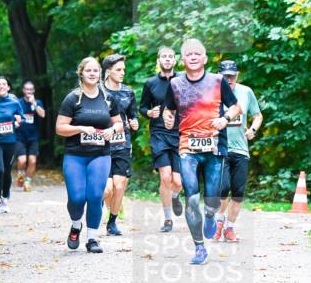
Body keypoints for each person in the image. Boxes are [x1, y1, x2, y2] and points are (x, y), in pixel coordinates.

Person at [163, 39, 241, 265]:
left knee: (212, 200)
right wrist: (168, 118)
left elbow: (236, 107)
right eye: (189, 54)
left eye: (198, 53)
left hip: (215, 147)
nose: (194, 57)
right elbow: (169, 110)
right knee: (192, 197)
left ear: (205, 58)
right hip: (187, 147)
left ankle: (209, 215)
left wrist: (225, 119)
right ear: (183, 59)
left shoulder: (218, 81)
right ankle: (199, 247)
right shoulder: (175, 84)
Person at [56, 57, 123, 253]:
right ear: (81, 73)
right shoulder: (72, 98)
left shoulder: (108, 98)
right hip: (75, 155)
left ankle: (92, 239)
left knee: (95, 195)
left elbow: (118, 122)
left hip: (100, 154)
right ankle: (76, 225)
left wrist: (114, 130)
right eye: (88, 71)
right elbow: (60, 128)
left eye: (95, 70)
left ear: (100, 74)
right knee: (76, 198)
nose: (92, 73)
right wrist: (80, 129)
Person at [213, 60, 263, 242]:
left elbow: (257, 115)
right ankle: (218, 222)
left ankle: (230, 228)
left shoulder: (246, 92)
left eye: (232, 76)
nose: (229, 79)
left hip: (241, 149)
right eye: (225, 76)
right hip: (220, 147)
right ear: (219, 76)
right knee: (223, 188)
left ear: (237, 75)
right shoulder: (212, 93)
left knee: (238, 192)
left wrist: (253, 130)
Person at [140, 46, 184, 232]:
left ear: (175, 60)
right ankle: (167, 219)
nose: (167, 59)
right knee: (165, 177)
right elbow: (142, 107)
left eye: (170, 57)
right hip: (159, 134)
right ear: (159, 61)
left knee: (179, 182)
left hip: (180, 133)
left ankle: (175, 196)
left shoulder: (183, 81)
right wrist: (149, 112)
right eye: (164, 57)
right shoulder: (150, 83)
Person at [102, 54, 139, 236]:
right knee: (107, 190)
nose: (122, 73)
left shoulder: (128, 92)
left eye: (123, 69)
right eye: (118, 70)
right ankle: (105, 207)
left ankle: (112, 222)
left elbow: (133, 115)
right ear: (108, 72)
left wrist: (135, 122)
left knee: (120, 185)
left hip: (122, 143)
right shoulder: (97, 91)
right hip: (101, 145)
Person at [0, 76, 24, 213]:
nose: (1, 86)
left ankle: (5, 199)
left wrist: (19, 122)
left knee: (7, 170)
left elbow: (21, 118)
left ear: (8, 87)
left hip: (11, 142)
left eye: (4, 84)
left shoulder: (15, 103)